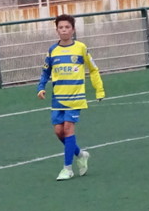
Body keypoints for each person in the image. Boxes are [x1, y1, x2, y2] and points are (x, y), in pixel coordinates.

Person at [37, 13, 105, 181]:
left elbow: (93, 69)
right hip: (58, 98)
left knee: (68, 129)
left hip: (76, 97)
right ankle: (80, 154)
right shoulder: (52, 50)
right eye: (61, 27)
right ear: (57, 30)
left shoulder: (81, 48)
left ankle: (67, 169)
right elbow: (45, 72)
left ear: (73, 30)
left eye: (67, 27)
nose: (64, 30)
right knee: (59, 132)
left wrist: (99, 90)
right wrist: (41, 87)